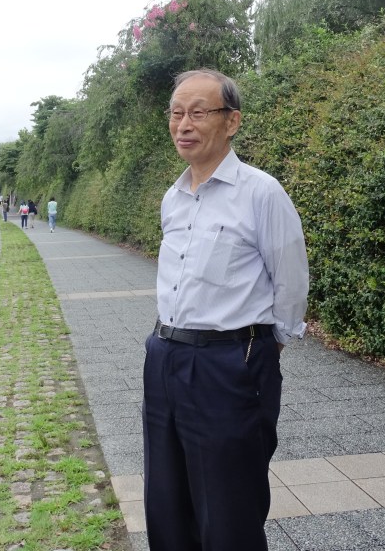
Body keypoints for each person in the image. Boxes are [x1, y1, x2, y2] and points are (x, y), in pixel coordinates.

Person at [143, 68, 309, 551]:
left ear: (231, 121)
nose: (184, 125)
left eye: (198, 113)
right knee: (167, 500)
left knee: (229, 508)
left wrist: (264, 349)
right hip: (165, 356)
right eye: (177, 113)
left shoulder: (261, 192)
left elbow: (291, 280)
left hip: (230, 363)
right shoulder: (173, 198)